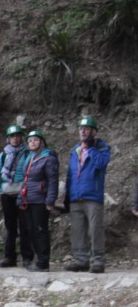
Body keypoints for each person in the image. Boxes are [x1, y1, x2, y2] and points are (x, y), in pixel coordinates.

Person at [65, 116, 111, 273]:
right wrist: (67, 195)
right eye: (81, 129)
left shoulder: (102, 147)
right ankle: (80, 260)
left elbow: (100, 164)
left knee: (95, 229)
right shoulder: (75, 150)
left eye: (86, 129)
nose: (83, 131)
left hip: (93, 196)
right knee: (78, 230)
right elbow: (70, 174)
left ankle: (98, 261)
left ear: (94, 132)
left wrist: (91, 148)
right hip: (76, 196)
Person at [0, 125, 31, 268]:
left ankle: (27, 257)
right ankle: (9, 257)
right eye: (12, 136)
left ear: (21, 138)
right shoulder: (4, 155)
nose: (15, 138)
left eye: (17, 136)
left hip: (22, 193)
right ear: (8, 139)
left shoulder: (26, 153)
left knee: (25, 226)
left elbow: (29, 174)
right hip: (6, 193)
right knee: (10, 226)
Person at [17, 130, 59, 272]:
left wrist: (50, 200)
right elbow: (25, 179)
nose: (32, 143)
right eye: (29, 141)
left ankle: (43, 261)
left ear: (41, 142)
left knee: (41, 230)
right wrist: (20, 198)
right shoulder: (29, 157)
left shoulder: (48, 157)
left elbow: (53, 180)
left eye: (35, 140)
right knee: (31, 230)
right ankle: (38, 259)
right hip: (28, 198)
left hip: (40, 198)